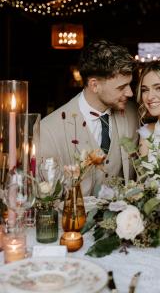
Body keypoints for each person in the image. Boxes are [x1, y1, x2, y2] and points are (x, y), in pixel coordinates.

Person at [40, 40, 138, 195]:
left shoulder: (133, 115)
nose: (130, 93)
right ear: (94, 85)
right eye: (121, 87)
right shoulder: (48, 130)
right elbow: (48, 195)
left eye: (129, 84)